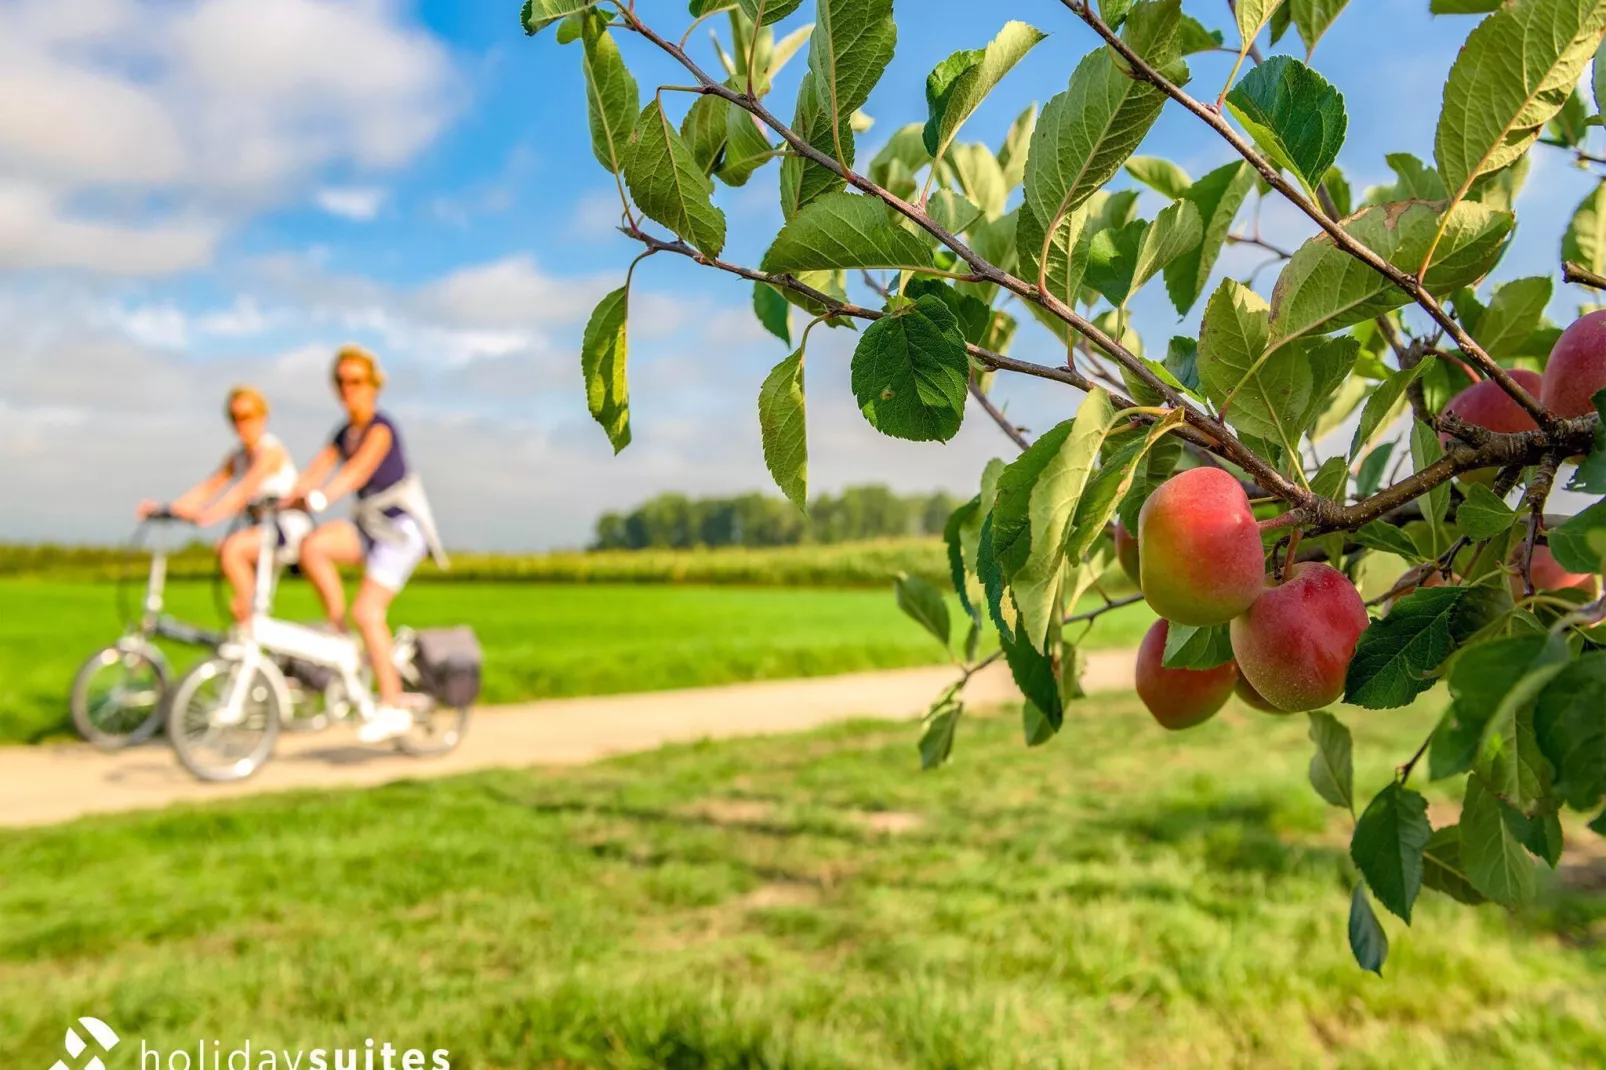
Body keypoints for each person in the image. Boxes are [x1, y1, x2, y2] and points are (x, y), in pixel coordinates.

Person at [287, 345, 447, 743]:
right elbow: (313, 473)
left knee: (369, 610)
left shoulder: (380, 429)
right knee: (312, 546)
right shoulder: (343, 433)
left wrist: (323, 497)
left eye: (356, 381)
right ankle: (342, 639)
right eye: (341, 381)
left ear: (373, 385)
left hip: (399, 531)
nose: (348, 389)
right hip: (368, 528)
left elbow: (356, 474)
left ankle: (392, 705)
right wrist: (280, 500)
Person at [136, 386, 311, 623]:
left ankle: (252, 618)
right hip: (261, 531)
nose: (242, 424)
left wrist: (208, 516)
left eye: (248, 417)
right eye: (235, 418)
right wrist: (167, 509)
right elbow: (208, 488)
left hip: (288, 529)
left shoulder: (270, 451)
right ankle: (248, 622)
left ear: (262, 417)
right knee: (231, 568)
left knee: (232, 549)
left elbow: (243, 490)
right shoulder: (237, 457)